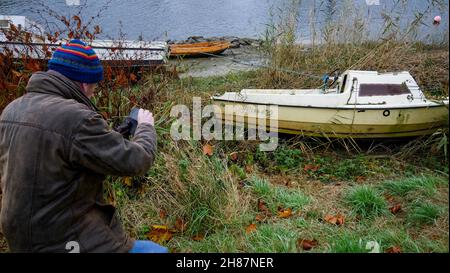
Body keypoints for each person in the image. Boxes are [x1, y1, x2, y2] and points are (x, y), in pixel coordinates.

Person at [0, 39, 167, 253]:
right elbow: (137, 161)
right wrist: (145, 128)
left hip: (21, 239)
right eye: (94, 88)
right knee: (157, 252)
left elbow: (64, 152)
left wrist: (113, 135)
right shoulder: (76, 118)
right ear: (85, 84)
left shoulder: (11, 111)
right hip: (68, 241)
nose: (92, 94)